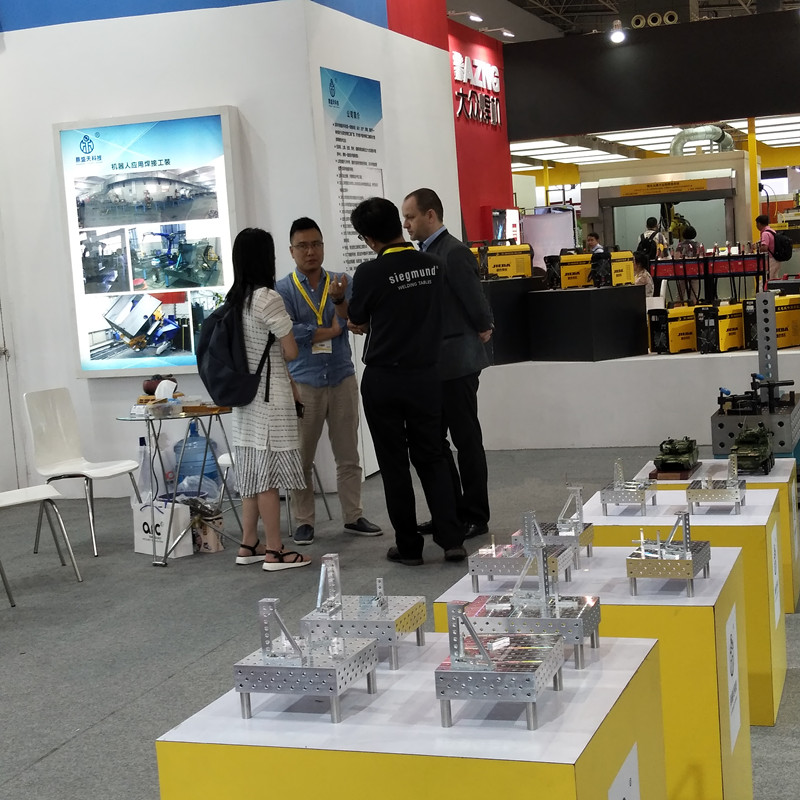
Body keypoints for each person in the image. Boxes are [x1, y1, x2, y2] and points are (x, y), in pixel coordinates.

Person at [347, 197, 466, 566]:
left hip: (384, 378)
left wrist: (343, 304)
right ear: (399, 224)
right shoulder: (434, 265)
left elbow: (357, 318)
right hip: (427, 375)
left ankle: (409, 547)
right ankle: (451, 539)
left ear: (368, 238)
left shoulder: (369, 273)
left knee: (394, 464)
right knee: (433, 456)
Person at [275, 217, 381, 545]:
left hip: (341, 377)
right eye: (303, 246)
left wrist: (338, 309)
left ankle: (353, 515)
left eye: (316, 244)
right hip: (304, 382)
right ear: (291, 251)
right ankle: (304, 521)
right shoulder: (283, 289)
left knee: (348, 455)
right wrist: (332, 329)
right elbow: (290, 332)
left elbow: (356, 320)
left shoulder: (342, 281)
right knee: (301, 458)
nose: (311, 251)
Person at [401, 188, 493, 540]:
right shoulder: (425, 254)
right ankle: (448, 513)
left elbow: (474, 299)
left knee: (466, 440)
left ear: (431, 215)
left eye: (410, 217)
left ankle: (475, 514)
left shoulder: (453, 252)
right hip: (432, 365)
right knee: (433, 442)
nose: (406, 224)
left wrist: (484, 325)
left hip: (457, 363)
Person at [227, 227, 310, 572]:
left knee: (251, 473)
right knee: (268, 478)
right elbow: (290, 351)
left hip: (245, 400)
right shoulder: (267, 298)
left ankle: (249, 543)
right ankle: (275, 550)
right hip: (270, 398)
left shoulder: (235, 299)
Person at [756, 214, 781, 281]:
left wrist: (758, 248)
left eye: (756, 224)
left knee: (766, 280)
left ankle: (762, 288)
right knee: (774, 279)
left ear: (759, 224)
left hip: (771, 259)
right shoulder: (772, 231)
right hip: (776, 259)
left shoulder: (765, 233)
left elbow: (765, 248)